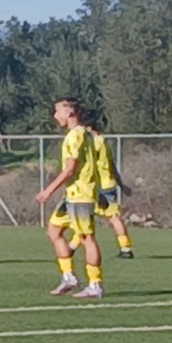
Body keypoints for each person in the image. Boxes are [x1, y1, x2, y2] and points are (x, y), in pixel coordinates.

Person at [35, 97, 105, 299]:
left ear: (70, 112)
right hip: (72, 194)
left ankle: (94, 284)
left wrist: (48, 191)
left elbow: (70, 169)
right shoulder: (81, 134)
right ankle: (69, 277)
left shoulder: (76, 135)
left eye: (58, 111)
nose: (55, 115)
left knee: (86, 238)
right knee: (53, 230)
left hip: (81, 194)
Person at [87, 114, 135, 258]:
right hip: (108, 184)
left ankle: (71, 248)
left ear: (88, 128)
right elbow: (111, 165)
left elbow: (90, 166)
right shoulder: (104, 142)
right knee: (109, 217)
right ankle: (125, 247)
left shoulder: (95, 143)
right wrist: (120, 184)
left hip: (99, 186)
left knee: (87, 217)